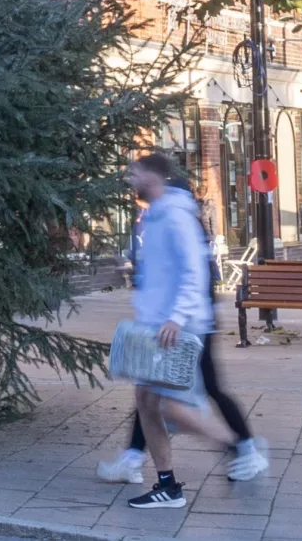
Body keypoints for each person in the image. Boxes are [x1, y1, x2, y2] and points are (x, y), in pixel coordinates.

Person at [104, 154, 268, 511]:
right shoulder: (155, 216)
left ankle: (236, 447)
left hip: (177, 327)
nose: (130, 179)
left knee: (169, 405)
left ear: (153, 176)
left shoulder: (175, 216)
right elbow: (164, 272)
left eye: (135, 173)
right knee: (147, 402)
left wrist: (176, 318)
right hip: (157, 326)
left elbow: (193, 273)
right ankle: (166, 485)